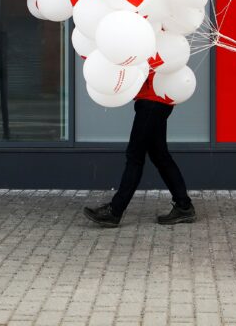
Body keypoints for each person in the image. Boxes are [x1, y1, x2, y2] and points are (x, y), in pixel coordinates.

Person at [83, 71, 195, 227]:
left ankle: (114, 211)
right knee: (159, 156)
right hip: (156, 99)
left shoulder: (158, 47)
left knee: (135, 155)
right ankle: (184, 207)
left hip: (153, 101)